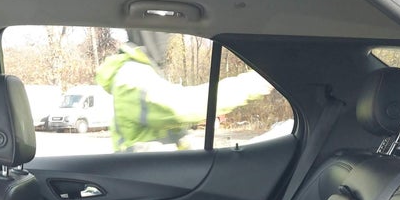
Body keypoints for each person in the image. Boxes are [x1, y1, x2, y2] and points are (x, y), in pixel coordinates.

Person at [96, 32, 272, 152]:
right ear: (146, 35)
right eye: (160, 32)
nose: (165, 41)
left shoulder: (142, 71)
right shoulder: (131, 75)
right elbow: (181, 107)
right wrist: (258, 81)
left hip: (159, 175)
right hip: (146, 181)